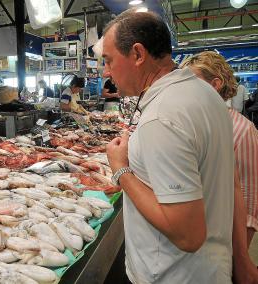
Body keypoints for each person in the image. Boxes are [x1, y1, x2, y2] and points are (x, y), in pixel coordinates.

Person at [103, 10, 235, 283]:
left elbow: (188, 234)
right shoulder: (204, 94)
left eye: (109, 60)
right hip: (210, 269)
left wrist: (121, 170)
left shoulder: (162, 117)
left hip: (171, 275)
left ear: (138, 55)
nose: (106, 71)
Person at [180, 51, 258, 283]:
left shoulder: (242, 131)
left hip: (218, 249)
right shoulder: (189, 123)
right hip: (190, 246)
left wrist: (241, 260)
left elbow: (249, 202)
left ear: (215, 84)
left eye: (189, 83)